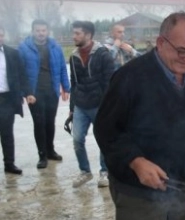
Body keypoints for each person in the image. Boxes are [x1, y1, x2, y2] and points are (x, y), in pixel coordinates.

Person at [94, 12, 185, 220]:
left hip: (183, 183)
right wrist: (136, 161)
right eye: (182, 51)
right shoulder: (130, 77)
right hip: (139, 191)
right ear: (161, 43)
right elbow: (106, 130)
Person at [67, 21, 115, 188]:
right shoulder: (73, 56)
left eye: (77, 33)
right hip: (81, 105)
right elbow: (73, 83)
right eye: (74, 33)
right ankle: (85, 172)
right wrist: (72, 109)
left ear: (88, 35)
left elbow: (111, 82)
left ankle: (104, 172)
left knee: (103, 140)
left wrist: (108, 106)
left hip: (99, 105)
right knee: (77, 139)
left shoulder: (103, 55)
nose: (74, 36)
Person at [18, 19, 70, 169]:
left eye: (43, 30)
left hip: (51, 91)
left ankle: (50, 150)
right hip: (34, 93)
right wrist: (26, 92)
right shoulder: (24, 48)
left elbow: (61, 68)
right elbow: (21, 72)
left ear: (48, 31)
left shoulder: (55, 47)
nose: (41, 33)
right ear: (33, 31)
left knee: (50, 122)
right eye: (38, 30)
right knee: (39, 123)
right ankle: (42, 155)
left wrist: (66, 88)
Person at [0, 26, 32, 175]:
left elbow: (22, 75)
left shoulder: (12, 54)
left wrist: (28, 93)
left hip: (6, 99)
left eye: (0, 35)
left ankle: (9, 164)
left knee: (7, 133)